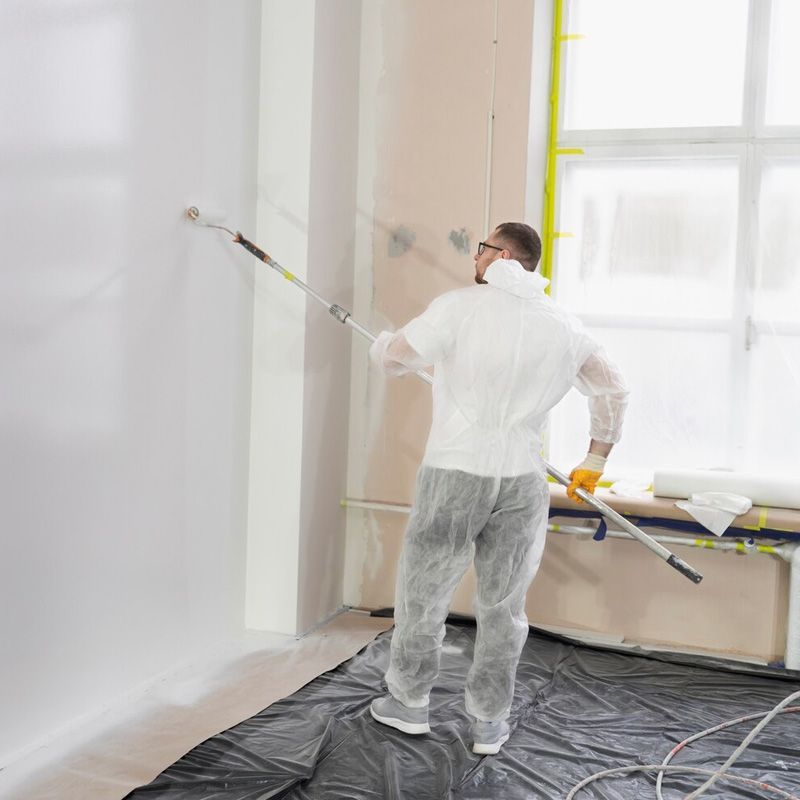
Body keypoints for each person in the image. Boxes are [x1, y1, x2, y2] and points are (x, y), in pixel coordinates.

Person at [367, 222, 629, 755]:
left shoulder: (459, 307)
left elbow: (397, 360)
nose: (477, 256)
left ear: (502, 254)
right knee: (504, 603)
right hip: (521, 479)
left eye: (483, 247)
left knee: (424, 590)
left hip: (455, 473)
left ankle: (410, 702)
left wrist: (380, 345)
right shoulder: (564, 325)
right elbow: (613, 389)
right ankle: (489, 720)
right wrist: (594, 460)